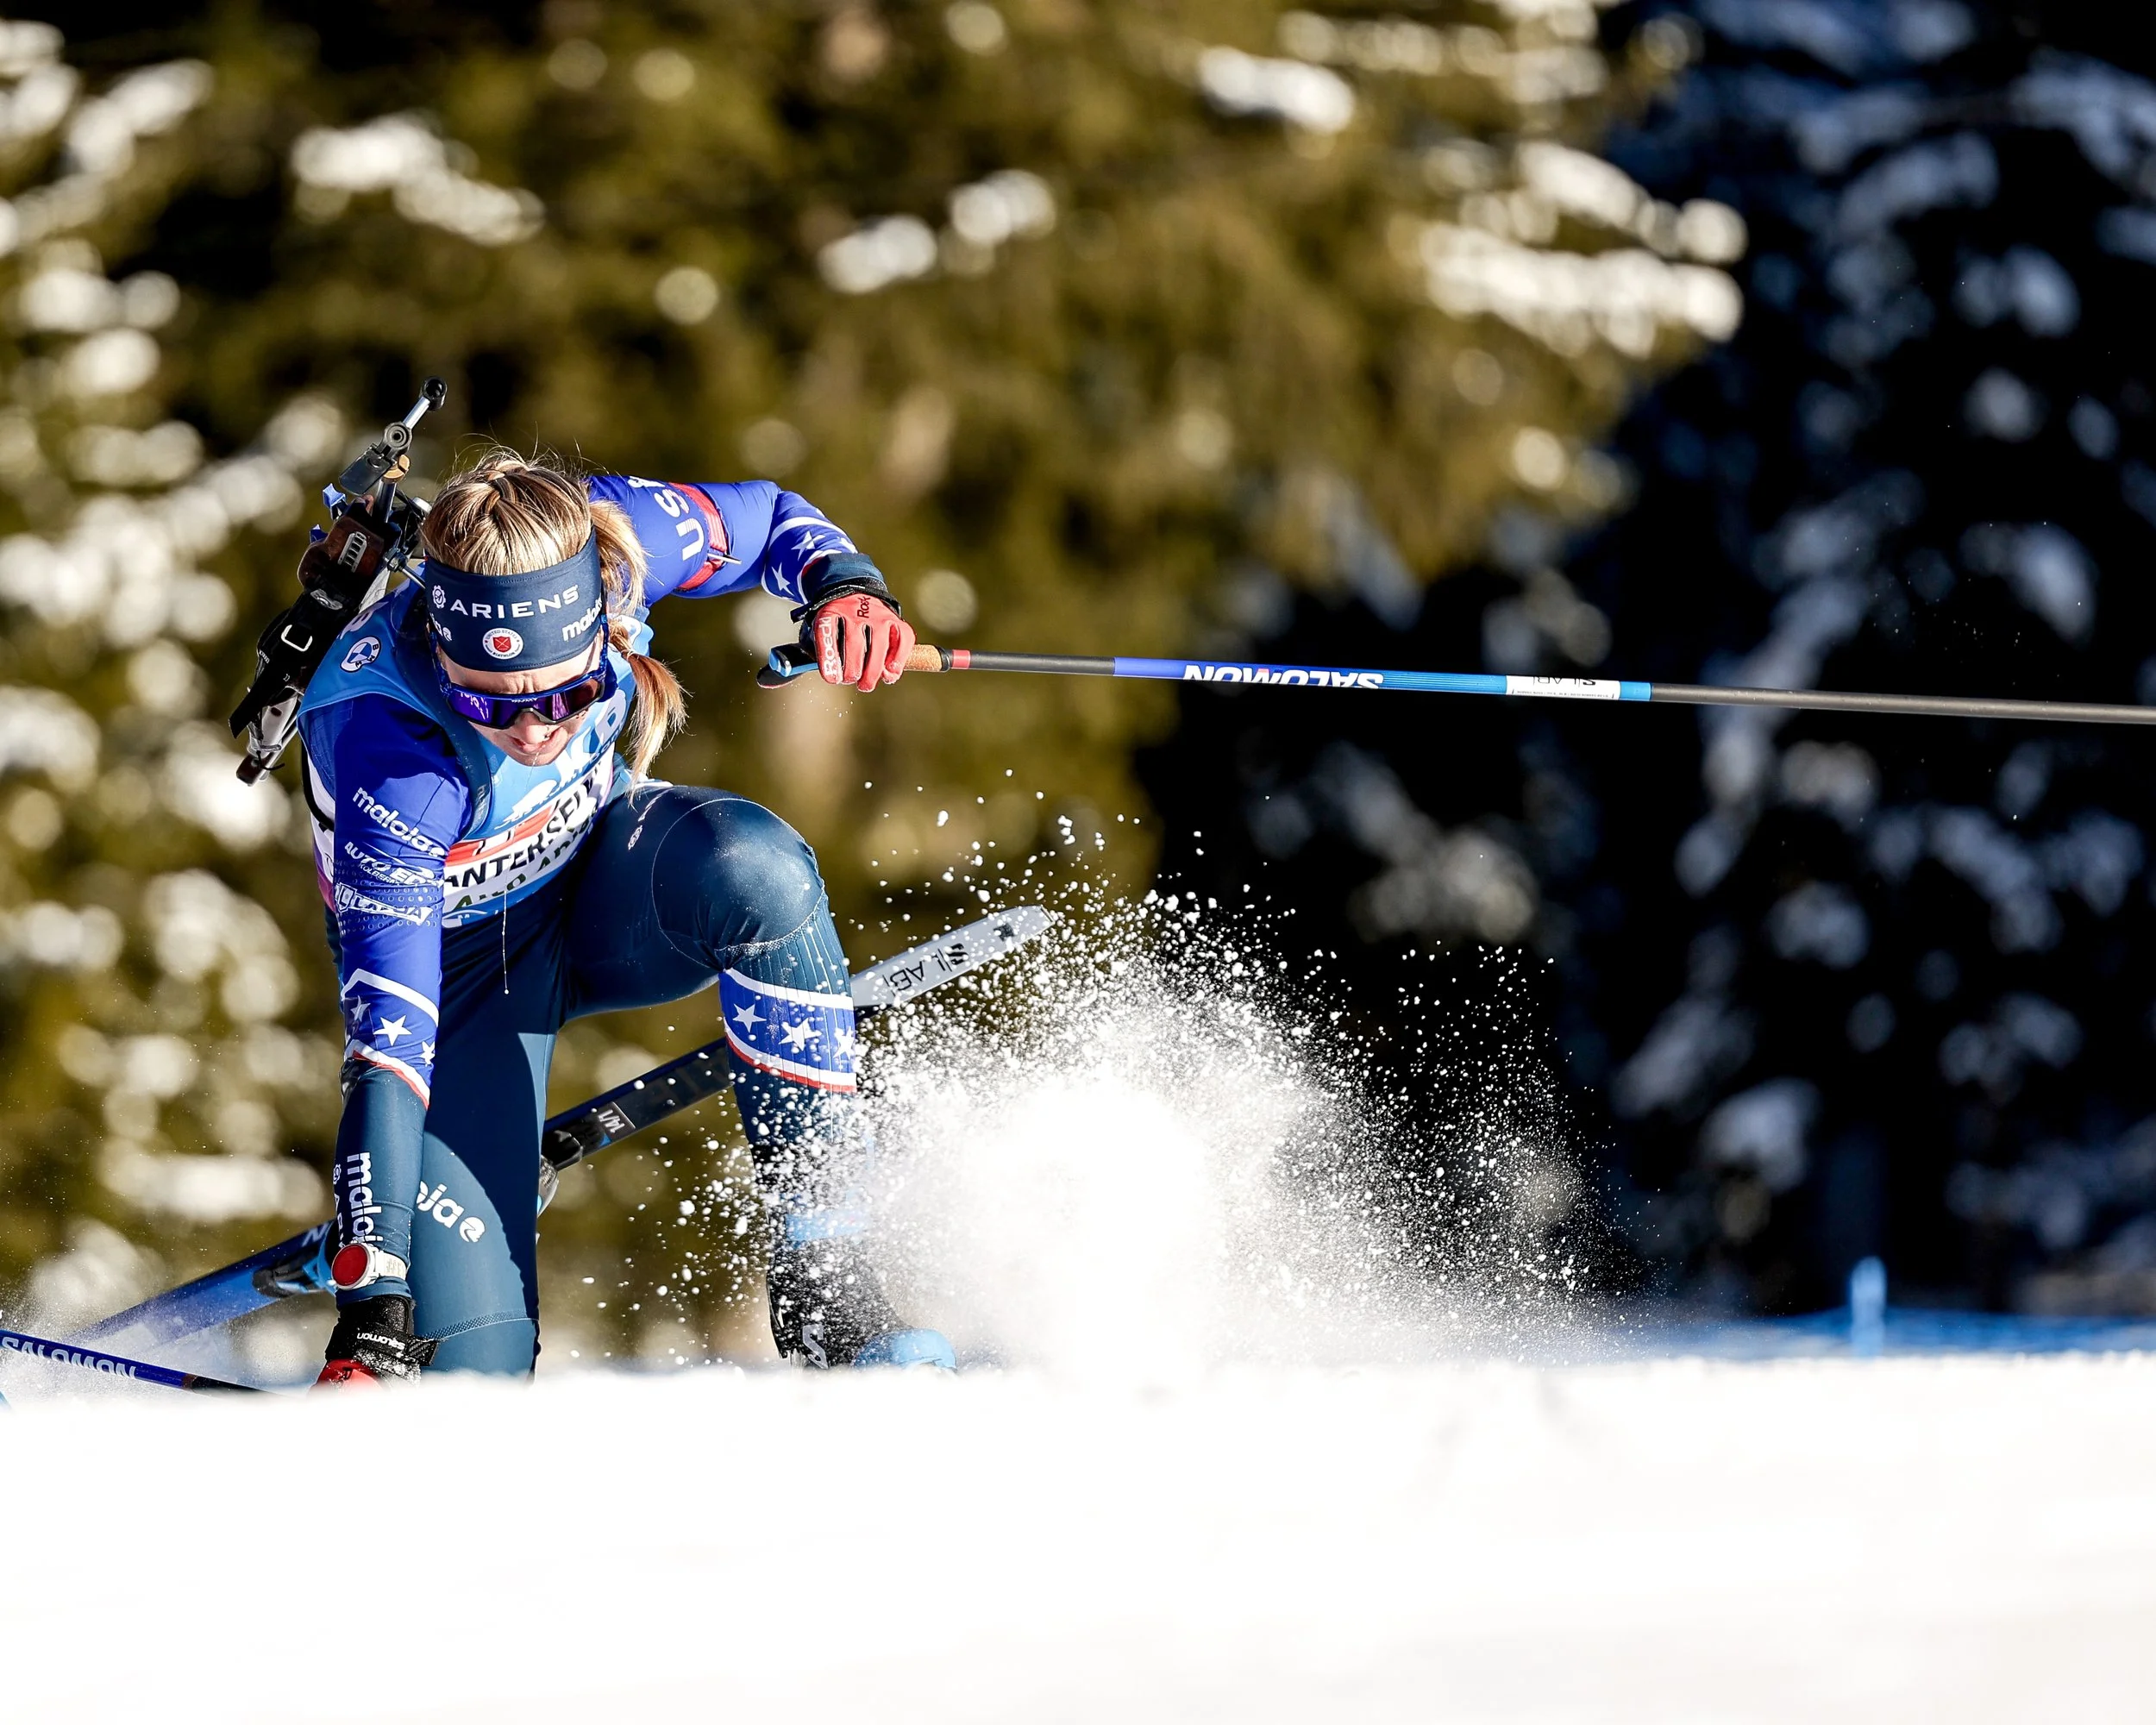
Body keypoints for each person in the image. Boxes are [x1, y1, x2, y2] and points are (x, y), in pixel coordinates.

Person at [296, 450, 952, 1383]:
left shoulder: (619, 538)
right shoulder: (387, 747)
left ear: (599, 616)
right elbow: (391, 1044)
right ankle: (449, 1229)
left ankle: (830, 1283)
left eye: (568, 693)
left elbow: (767, 517)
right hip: (464, 978)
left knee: (754, 867)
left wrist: (843, 588)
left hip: (606, 880)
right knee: (467, 1384)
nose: (533, 730)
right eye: (491, 701)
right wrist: (374, 1304)